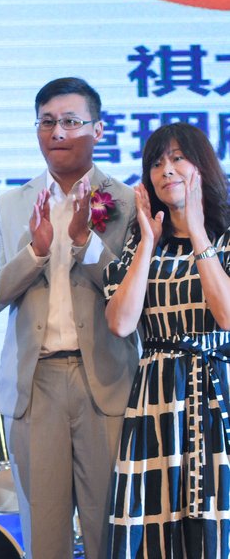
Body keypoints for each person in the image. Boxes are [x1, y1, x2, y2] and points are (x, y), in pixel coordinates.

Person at [0, 77, 138, 558]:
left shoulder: (129, 203)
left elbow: (135, 299)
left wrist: (86, 244)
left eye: (71, 121)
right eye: (47, 122)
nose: (58, 132)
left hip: (106, 382)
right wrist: (36, 252)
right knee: (45, 537)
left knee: (109, 532)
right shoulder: (11, 205)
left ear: (98, 129)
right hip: (35, 385)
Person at [104, 122, 230, 558]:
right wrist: (147, 243)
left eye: (178, 158)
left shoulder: (224, 237)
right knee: (154, 519)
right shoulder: (141, 243)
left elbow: (227, 316)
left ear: (202, 166)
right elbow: (121, 323)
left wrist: (198, 232)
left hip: (217, 394)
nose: (167, 170)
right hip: (157, 396)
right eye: (157, 163)